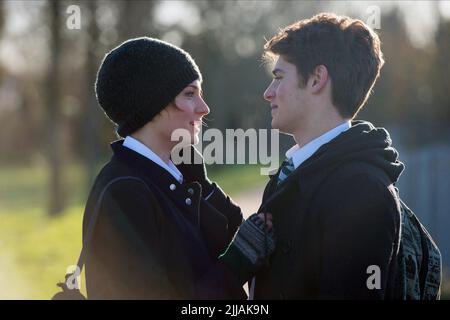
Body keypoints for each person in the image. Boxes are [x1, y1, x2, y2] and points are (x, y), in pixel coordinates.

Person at [83, 37, 275, 299]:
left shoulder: (172, 175)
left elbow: (231, 232)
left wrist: (203, 186)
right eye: (189, 94)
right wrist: (238, 263)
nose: (204, 109)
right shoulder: (125, 192)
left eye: (201, 95)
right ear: (152, 102)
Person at [251, 13, 404, 299]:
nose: (268, 93)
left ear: (317, 79)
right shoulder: (291, 175)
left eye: (278, 77)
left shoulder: (362, 192)